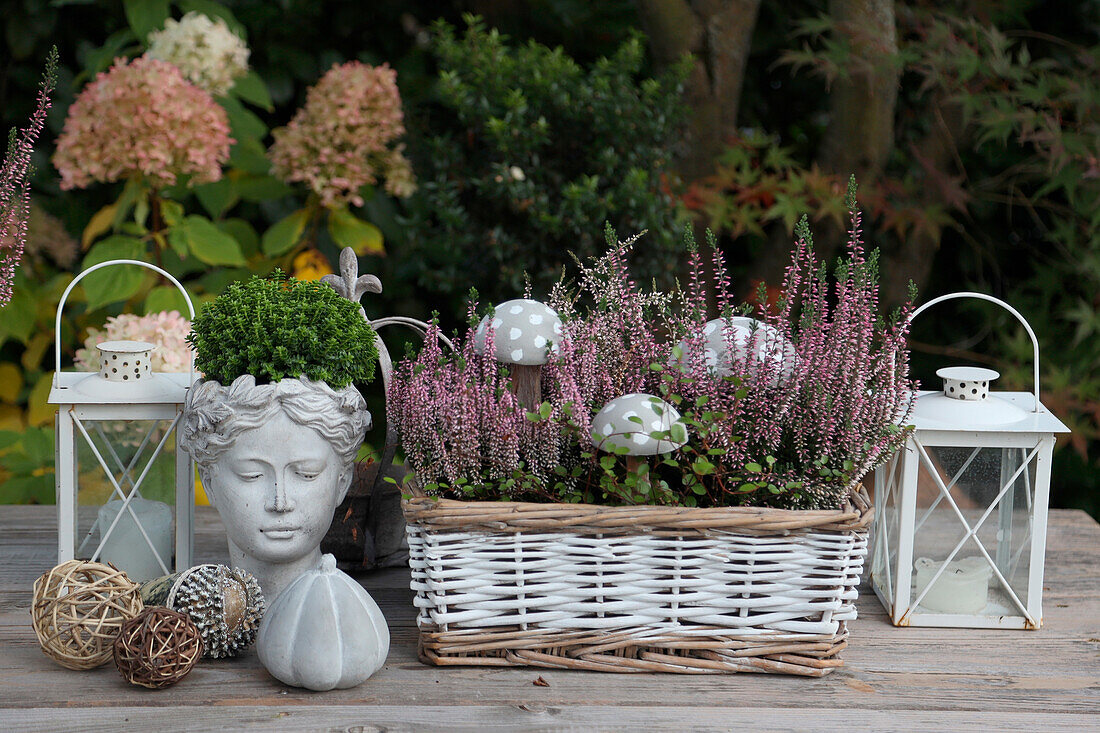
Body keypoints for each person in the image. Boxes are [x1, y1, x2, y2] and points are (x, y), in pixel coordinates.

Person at [180, 375, 371, 601]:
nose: (280, 502)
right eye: (251, 475)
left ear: (342, 483)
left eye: (306, 473)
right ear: (209, 483)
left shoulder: (354, 615)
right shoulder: (196, 611)